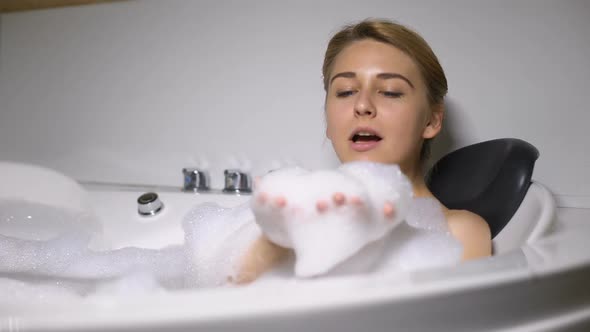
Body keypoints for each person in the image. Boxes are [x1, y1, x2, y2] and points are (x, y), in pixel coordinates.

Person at [232, 18, 491, 284]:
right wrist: (275, 244)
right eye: (345, 92)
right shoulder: (281, 219)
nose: (362, 105)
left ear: (432, 121)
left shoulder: (458, 233)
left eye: (390, 92)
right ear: (328, 121)